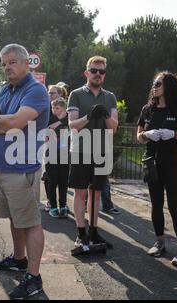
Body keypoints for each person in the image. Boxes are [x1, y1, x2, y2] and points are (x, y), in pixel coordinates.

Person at [0, 44, 49, 300]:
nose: (8, 67)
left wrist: (2, 121)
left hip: (22, 169)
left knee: (30, 222)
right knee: (14, 218)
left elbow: (16, 122)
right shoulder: (4, 89)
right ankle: (19, 259)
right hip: (3, 166)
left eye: (12, 62)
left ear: (25, 63)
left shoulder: (36, 90)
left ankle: (34, 277)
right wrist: (3, 122)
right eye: (4, 63)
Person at [136, 71, 177, 267]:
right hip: (153, 163)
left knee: (175, 207)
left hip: (173, 164)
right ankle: (159, 242)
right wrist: (147, 134)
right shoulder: (147, 109)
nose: (155, 86)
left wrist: (173, 134)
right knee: (156, 205)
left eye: (159, 83)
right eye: (154, 83)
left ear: (168, 86)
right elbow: (138, 135)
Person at [67, 56, 119, 250]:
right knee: (80, 193)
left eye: (101, 71)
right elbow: (72, 125)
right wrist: (89, 116)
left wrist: (105, 114)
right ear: (86, 72)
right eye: (94, 70)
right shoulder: (76, 94)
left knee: (96, 194)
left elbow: (114, 127)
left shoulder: (110, 97)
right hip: (81, 149)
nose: (98, 74)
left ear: (104, 75)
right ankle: (81, 234)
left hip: (102, 149)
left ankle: (95, 232)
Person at [43, 84, 68, 212]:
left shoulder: (68, 118)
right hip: (50, 153)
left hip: (65, 155)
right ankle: (52, 205)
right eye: (53, 107)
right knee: (52, 181)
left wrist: (60, 122)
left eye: (57, 108)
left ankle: (63, 205)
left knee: (63, 182)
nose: (54, 110)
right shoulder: (48, 117)